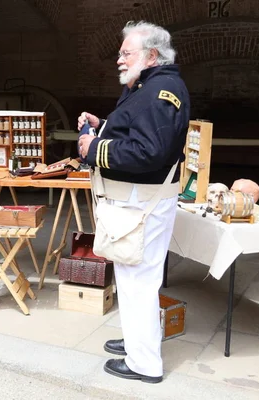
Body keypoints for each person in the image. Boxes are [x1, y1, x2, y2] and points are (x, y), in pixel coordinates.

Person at [77, 20, 190, 384]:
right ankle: (137, 342)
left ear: (151, 55)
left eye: (127, 53)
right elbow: (137, 128)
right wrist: (105, 125)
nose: (119, 60)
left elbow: (149, 151)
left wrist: (94, 148)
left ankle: (144, 364)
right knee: (132, 276)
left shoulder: (160, 91)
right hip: (138, 202)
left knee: (138, 279)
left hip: (143, 202)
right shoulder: (148, 85)